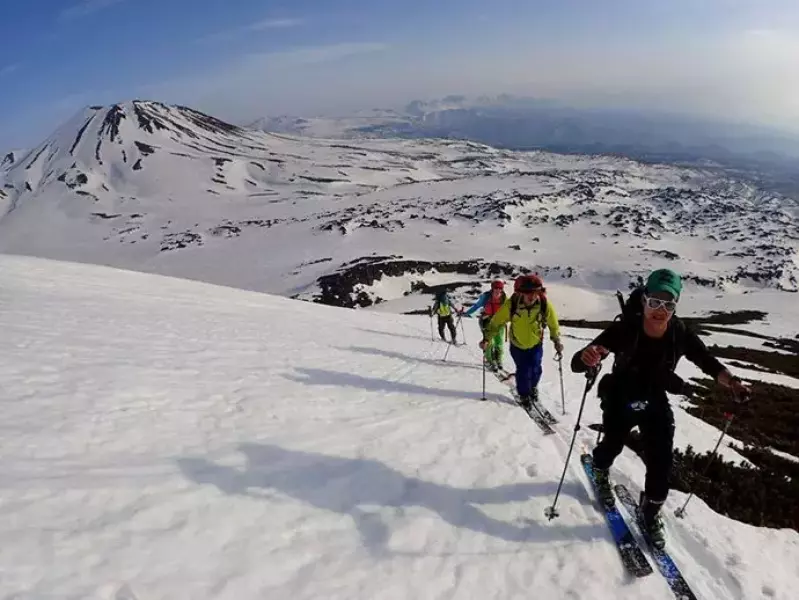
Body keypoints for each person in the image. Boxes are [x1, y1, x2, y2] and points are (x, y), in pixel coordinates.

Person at [571, 268, 749, 548]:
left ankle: (650, 511)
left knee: (662, 459)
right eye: (655, 301)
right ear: (644, 300)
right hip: (620, 394)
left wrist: (733, 382)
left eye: (669, 304)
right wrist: (588, 357)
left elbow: (706, 361)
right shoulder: (625, 329)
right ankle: (600, 469)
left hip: (654, 398)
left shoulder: (679, 333)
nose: (660, 310)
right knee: (613, 443)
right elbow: (577, 363)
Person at [480, 274, 564, 407]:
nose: (532, 296)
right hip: (517, 345)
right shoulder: (512, 304)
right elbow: (496, 322)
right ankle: (524, 395)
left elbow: (553, 324)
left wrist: (556, 340)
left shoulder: (544, 305)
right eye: (528, 293)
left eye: (535, 292)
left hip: (536, 344)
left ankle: (533, 387)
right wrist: (487, 338)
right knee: (524, 370)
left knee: (536, 369)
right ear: (521, 293)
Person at [460, 279, 509, 371]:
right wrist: (466, 313)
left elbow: (509, 309)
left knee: (499, 342)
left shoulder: (504, 298)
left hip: (500, 322)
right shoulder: (486, 297)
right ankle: (490, 360)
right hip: (487, 321)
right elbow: (476, 306)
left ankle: (499, 360)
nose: (498, 290)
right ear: (492, 288)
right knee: (489, 342)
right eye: (496, 288)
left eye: (500, 288)